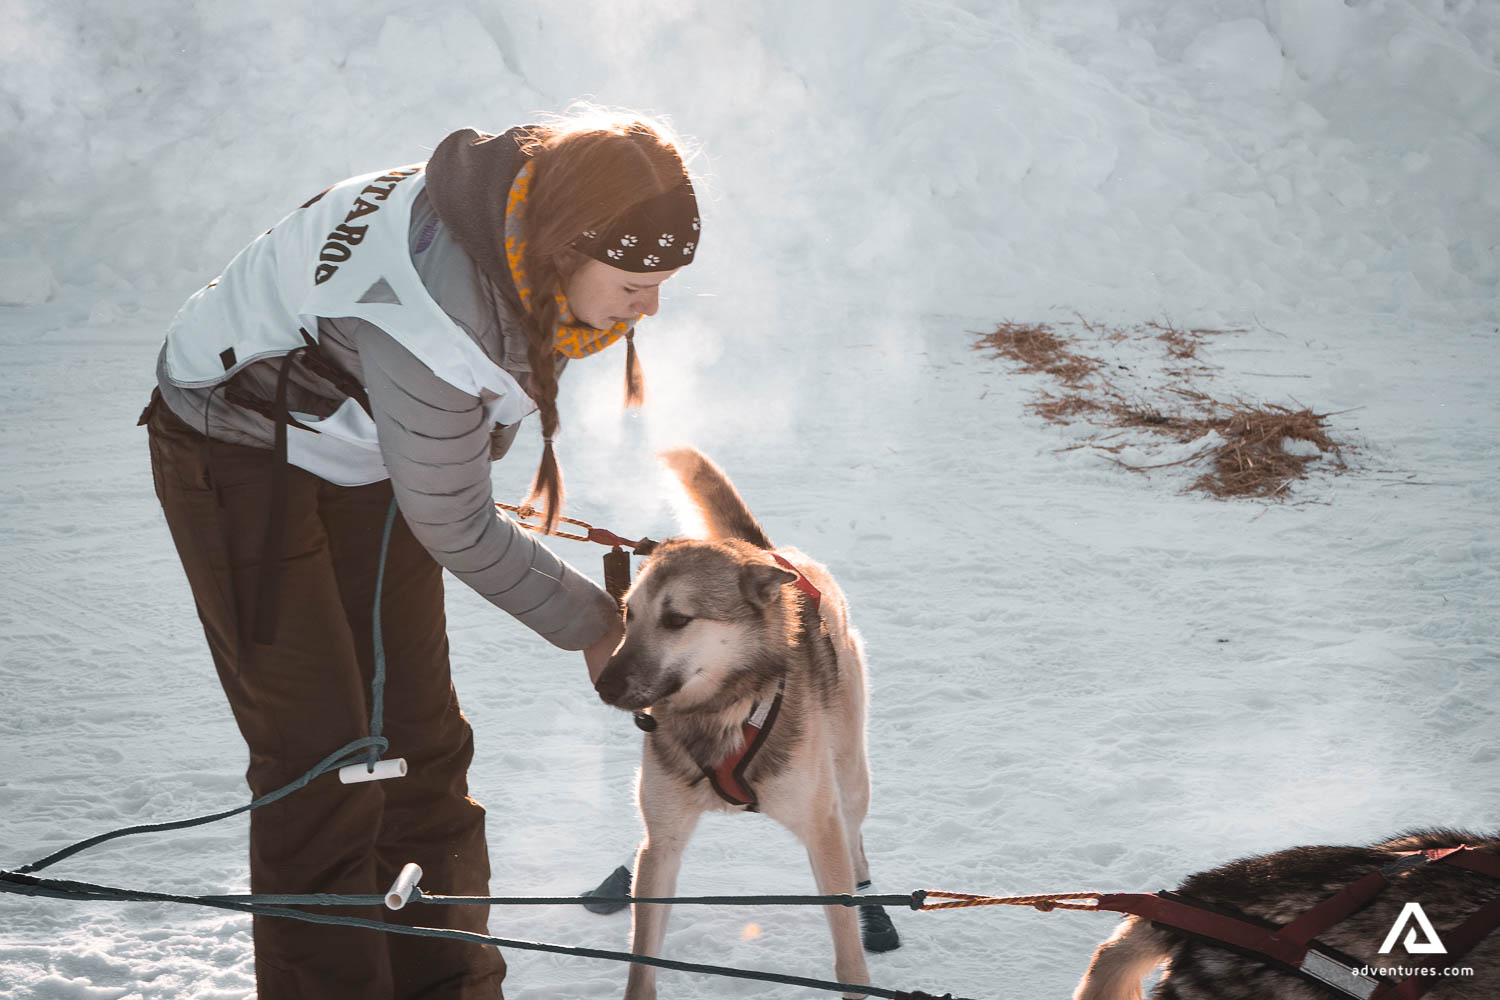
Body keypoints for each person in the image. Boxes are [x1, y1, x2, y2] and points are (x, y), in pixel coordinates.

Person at [139, 108, 701, 999]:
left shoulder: (520, 225)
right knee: (324, 758)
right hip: (236, 445)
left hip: (358, 441)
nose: (652, 304)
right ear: (565, 245)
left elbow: (454, 453)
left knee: (419, 740)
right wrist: (599, 623)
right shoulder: (439, 319)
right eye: (637, 278)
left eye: (668, 279)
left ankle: (449, 988)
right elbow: (457, 523)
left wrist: (441, 456)